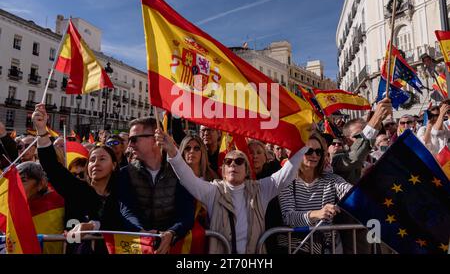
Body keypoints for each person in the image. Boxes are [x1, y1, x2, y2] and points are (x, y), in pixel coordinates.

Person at [156, 129, 305, 254]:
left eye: (239, 161)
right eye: (228, 162)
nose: (233, 164)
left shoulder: (261, 189)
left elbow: (286, 174)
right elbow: (188, 178)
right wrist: (172, 151)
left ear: (246, 170)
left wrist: (305, 143)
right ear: (223, 170)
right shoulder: (213, 191)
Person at [32, 104, 134, 254]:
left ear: (113, 165)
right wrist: (41, 130)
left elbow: (126, 221)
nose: (95, 163)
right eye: (92, 159)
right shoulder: (77, 190)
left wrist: (94, 225)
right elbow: (52, 167)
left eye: (102, 159)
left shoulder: (123, 193)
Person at [118, 117, 195, 254]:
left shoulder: (179, 171)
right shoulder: (125, 173)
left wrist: (172, 232)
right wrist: (142, 232)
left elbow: (187, 212)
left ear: (155, 138)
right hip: (139, 246)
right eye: (129, 140)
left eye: (134, 139)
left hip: (174, 247)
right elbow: (127, 210)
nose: (129, 145)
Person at [278, 133, 352, 253]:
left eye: (318, 152)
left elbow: (351, 192)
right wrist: (317, 214)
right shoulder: (287, 182)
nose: (314, 155)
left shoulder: (332, 179)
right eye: (309, 151)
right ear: (297, 153)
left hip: (329, 247)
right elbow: (288, 217)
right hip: (300, 247)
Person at [332, 98, 392, 185]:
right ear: (346, 140)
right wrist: (376, 118)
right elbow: (354, 157)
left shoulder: (375, 156)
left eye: (364, 133)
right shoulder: (338, 159)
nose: (362, 138)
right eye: (358, 136)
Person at [16, 161, 65, 254]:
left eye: (23, 180)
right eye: (16, 181)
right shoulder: (12, 207)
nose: (17, 186)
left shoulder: (60, 200)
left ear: (41, 183)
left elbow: (74, 236)